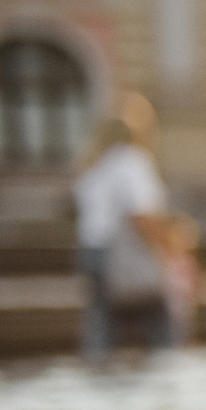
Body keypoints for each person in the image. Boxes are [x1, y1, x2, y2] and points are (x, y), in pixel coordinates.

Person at [70, 95, 175, 358]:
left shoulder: (94, 164)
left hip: (90, 250)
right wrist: (165, 251)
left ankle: (97, 367)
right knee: (160, 317)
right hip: (122, 254)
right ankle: (168, 368)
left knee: (102, 320)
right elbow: (142, 215)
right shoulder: (132, 161)